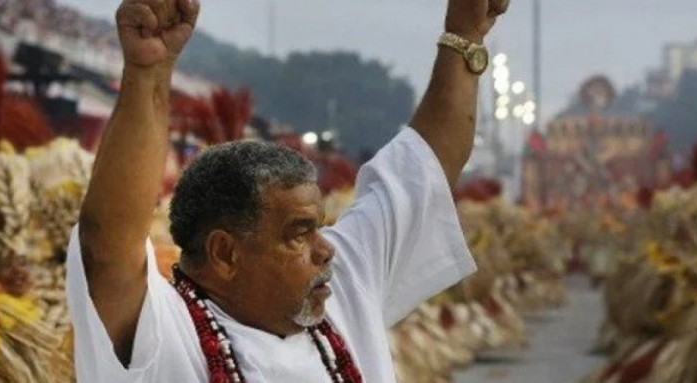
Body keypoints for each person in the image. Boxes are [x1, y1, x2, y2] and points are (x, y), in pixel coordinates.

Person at [66, 0, 510, 381]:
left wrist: (464, 33)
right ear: (225, 254)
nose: (327, 250)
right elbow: (107, 244)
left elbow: (426, 164)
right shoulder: (162, 334)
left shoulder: (340, 290)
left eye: (318, 228)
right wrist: (148, 73)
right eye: (298, 233)